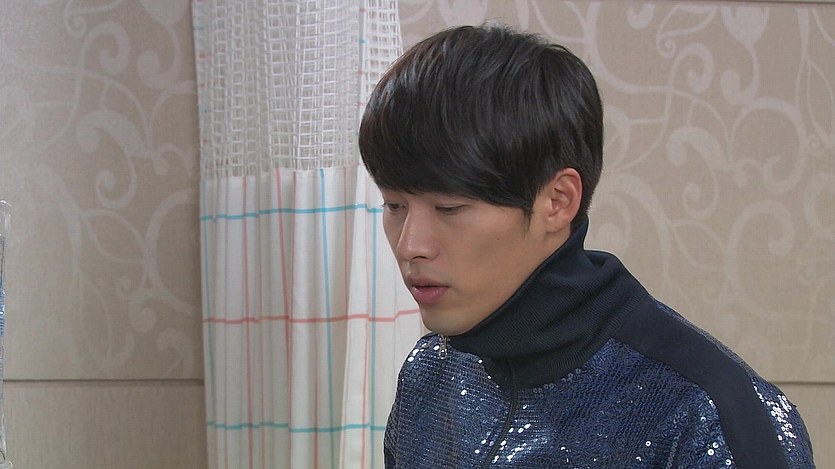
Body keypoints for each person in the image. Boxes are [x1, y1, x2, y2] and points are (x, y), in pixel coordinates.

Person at [358, 24, 815, 468]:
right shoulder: (430, 375)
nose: (410, 245)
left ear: (558, 201)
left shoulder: (709, 417)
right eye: (394, 205)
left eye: (449, 208)